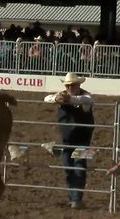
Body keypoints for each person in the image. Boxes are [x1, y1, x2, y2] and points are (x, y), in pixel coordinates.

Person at [44, 72, 94, 209]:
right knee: (68, 167)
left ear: (78, 85)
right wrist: (56, 98)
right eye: (68, 85)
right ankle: (73, 198)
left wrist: (65, 99)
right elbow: (46, 98)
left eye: (72, 85)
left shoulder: (86, 96)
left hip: (84, 139)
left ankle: (76, 198)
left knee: (79, 167)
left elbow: (84, 101)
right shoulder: (62, 95)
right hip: (66, 139)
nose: (70, 87)